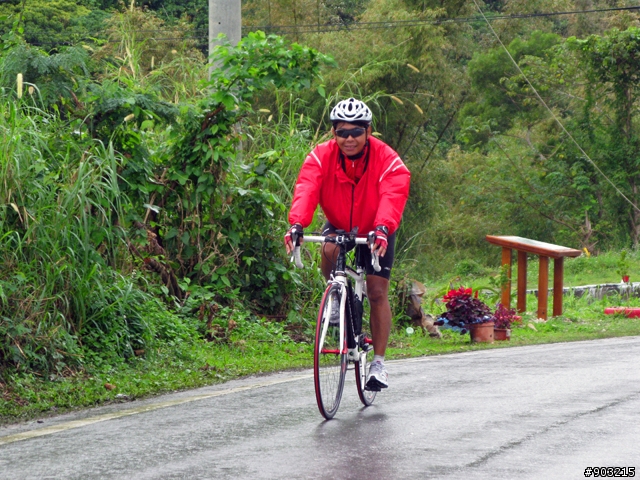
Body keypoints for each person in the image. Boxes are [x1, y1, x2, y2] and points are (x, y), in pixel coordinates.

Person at [284, 98, 411, 391]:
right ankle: (335, 296)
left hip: (376, 227)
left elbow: (394, 193)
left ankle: (378, 363)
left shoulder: (388, 159)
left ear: (368, 132)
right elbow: (306, 188)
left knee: (377, 291)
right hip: (339, 222)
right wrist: (297, 224)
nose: (349, 138)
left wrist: (382, 228)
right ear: (333, 133)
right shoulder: (320, 157)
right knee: (328, 248)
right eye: (342, 132)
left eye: (356, 132)